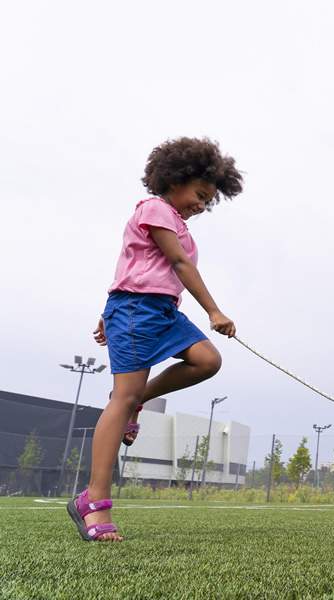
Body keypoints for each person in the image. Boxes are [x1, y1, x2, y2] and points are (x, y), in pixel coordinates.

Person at [67, 137, 243, 541]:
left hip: (162, 312)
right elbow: (177, 263)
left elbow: (136, 263)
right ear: (175, 180)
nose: (202, 205)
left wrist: (107, 311)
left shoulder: (179, 225)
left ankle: (137, 400)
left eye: (208, 200)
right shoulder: (154, 208)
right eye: (200, 195)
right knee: (122, 397)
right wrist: (214, 311)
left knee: (207, 360)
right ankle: (93, 500)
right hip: (136, 310)